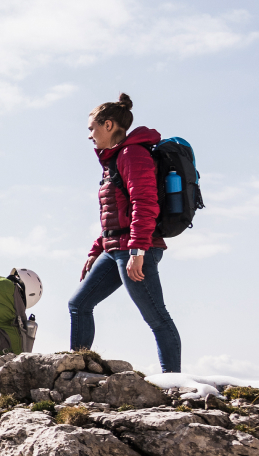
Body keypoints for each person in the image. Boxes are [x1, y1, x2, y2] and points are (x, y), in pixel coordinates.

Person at [68, 93, 181, 373]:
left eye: (92, 128)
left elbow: (145, 204)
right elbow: (116, 216)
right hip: (116, 248)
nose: (90, 136)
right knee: (79, 304)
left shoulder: (133, 154)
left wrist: (138, 251)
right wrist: (96, 251)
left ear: (108, 125)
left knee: (156, 317)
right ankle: (76, 370)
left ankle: (175, 382)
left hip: (135, 249)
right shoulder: (114, 160)